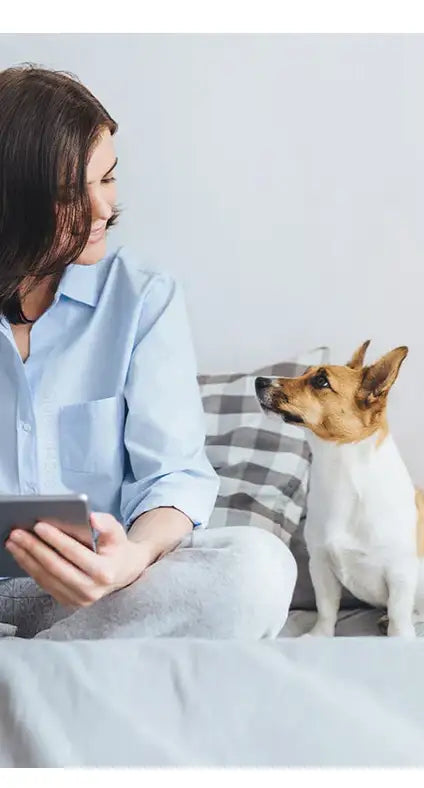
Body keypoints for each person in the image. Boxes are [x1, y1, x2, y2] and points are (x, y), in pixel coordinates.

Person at [0, 64, 297, 640]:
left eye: (107, 179)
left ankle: (34, 663)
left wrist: (130, 558)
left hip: (104, 597)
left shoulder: (142, 299)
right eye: (69, 194)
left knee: (257, 569)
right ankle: (65, 669)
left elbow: (175, 477)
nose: (102, 210)